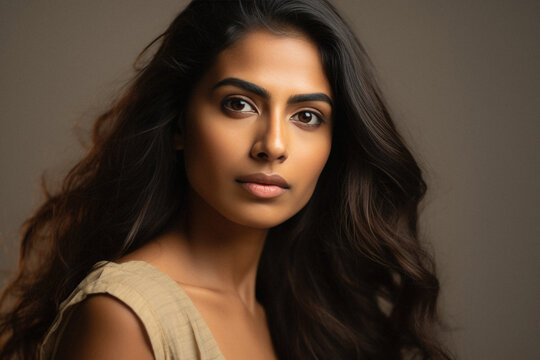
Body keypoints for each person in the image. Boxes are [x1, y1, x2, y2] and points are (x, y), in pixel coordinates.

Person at [0, 0, 452, 359]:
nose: (273, 145)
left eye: (307, 116)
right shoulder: (124, 315)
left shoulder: (299, 311)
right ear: (179, 123)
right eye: (239, 104)